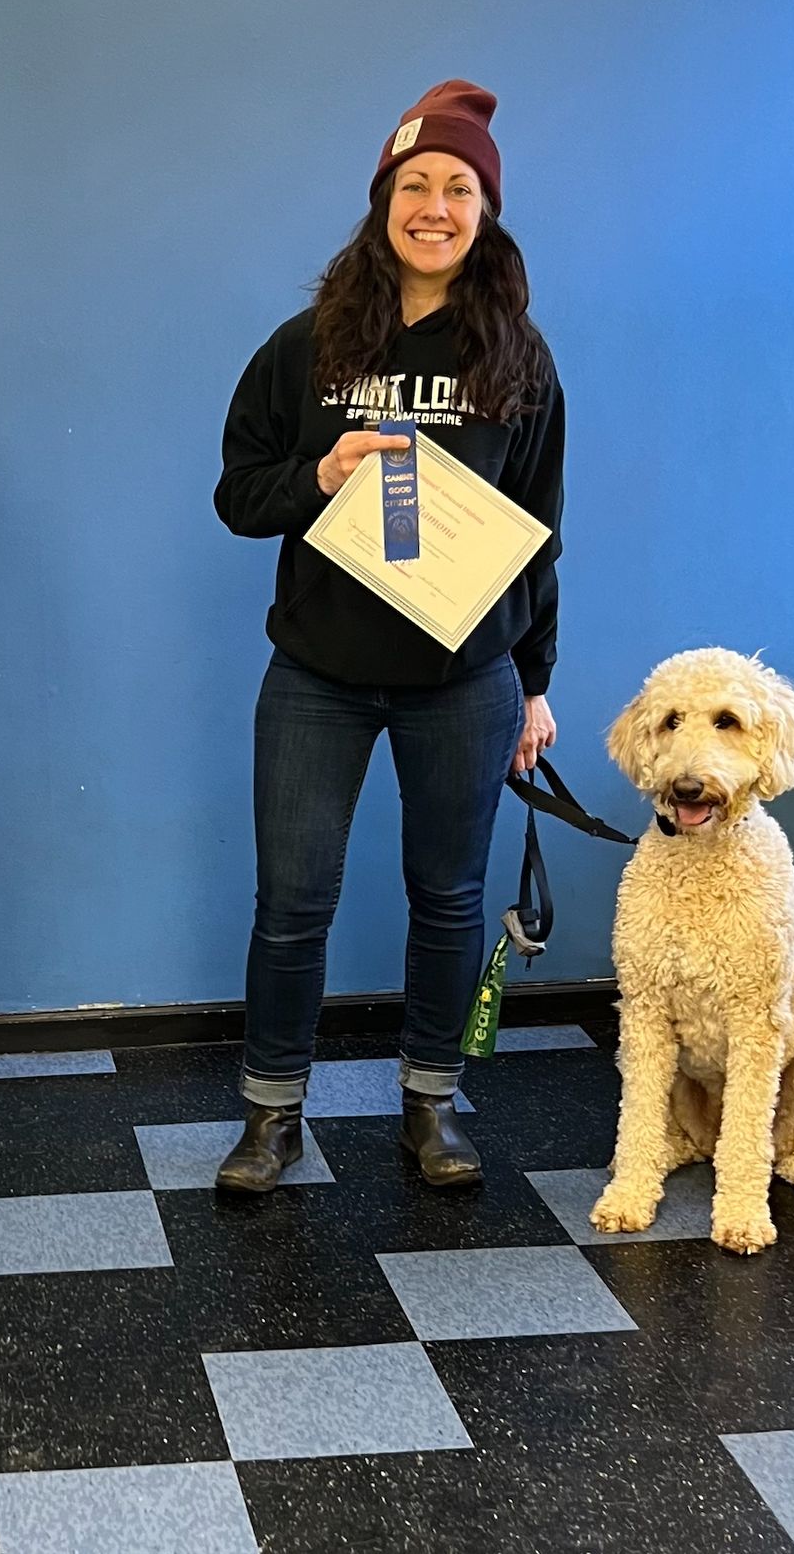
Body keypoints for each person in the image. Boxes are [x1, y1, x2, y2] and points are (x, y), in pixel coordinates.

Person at [212, 80, 564, 1192]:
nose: (436, 205)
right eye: (416, 184)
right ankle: (272, 1113)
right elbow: (236, 494)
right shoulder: (305, 344)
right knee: (291, 901)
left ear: (485, 213)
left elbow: (541, 534)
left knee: (451, 898)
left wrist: (536, 683)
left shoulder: (519, 356)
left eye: (460, 188)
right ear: (382, 203)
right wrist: (319, 475)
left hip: (466, 680)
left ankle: (430, 1103)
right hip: (319, 672)